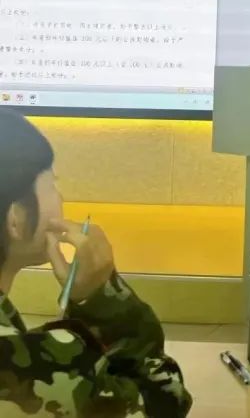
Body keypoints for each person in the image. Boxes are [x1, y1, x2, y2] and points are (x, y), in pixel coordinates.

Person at [0, 109, 192, 417]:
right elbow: (162, 401)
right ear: (16, 218)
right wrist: (104, 298)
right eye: (52, 184)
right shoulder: (37, 365)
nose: (60, 197)